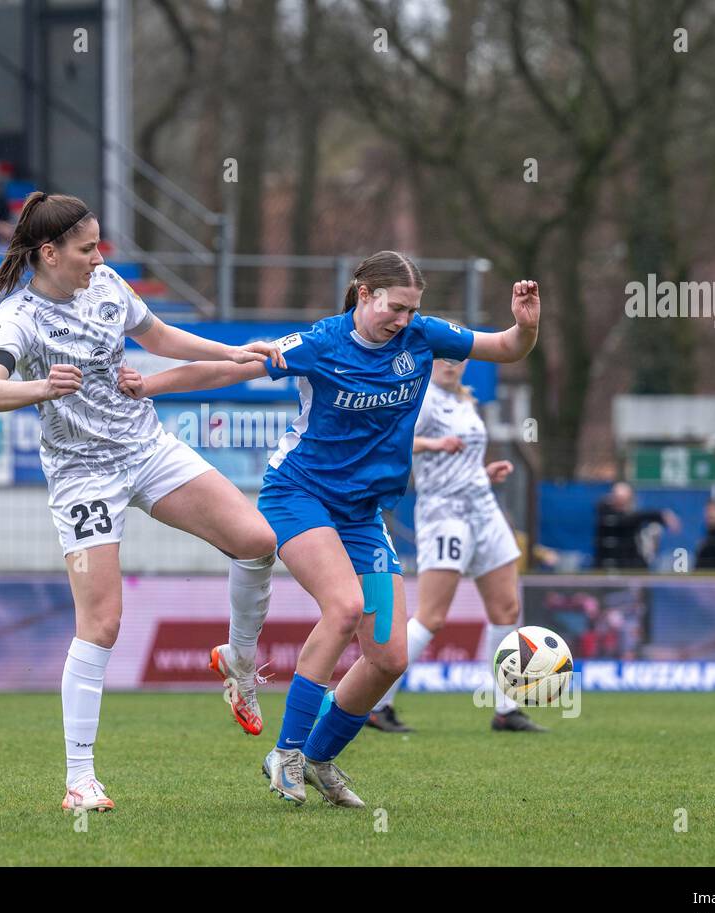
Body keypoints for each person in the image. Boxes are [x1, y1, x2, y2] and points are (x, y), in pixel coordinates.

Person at [120, 252, 541, 807]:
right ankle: (287, 753)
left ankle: (319, 757)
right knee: (343, 608)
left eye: (412, 310)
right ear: (364, 294)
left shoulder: (422, 337)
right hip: (300, 497)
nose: (404, 320)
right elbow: (230, 369)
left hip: (362, 515)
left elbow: (506, 347)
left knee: (389, 657)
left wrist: (525, 325)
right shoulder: (320, 343)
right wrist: (151, 386)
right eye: (395, 308)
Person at [0, 192, 281, 813]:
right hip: (83, 476)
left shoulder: (108, 285)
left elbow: (159, 337)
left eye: (99, 246)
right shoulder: (20, 316)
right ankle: (79, 780)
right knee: (102, 623)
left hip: (147, 448)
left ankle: (238, 663)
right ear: (49, 253)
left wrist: (233, 352)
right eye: (87, 249)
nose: (98, 258)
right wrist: (41, 386)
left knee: (257, 541)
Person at [367, 357, 545, 734]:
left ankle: (506, 709)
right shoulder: (422, 397)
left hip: (483, 507)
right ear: (430, 359)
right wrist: (433, 443)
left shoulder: (465, 399)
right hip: (444, 513)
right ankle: (377, 704)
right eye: (443, 356)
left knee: (507, 608)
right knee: (431, 616)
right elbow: (390, 442)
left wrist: (483, 473)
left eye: (457, 356)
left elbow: (460, 460)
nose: (450, 363)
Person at [593, 481, 679, 570]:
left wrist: (663, 516)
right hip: (606, 566)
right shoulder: (606, 514)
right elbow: (626, 519)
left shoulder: (632, 516)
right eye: (618, 498)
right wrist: (662, 515)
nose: (621, 502)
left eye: (624, 499)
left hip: (630, 566)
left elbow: (634, 518)